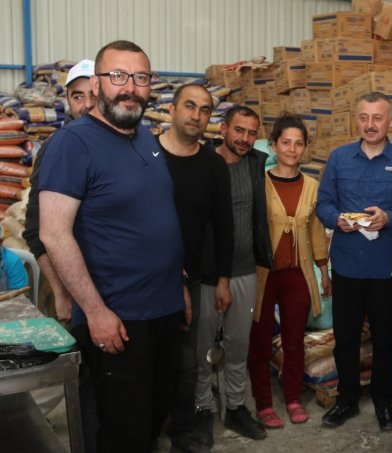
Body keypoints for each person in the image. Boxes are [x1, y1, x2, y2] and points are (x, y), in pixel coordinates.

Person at [38, 40, 185, 451]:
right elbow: (53, 233)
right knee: (122, 434)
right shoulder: (73, 144)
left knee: (155, 419)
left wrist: (180, 287)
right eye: (118, 76)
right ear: (98, 82)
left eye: (140, 78)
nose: (130, 87)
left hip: (164, 309)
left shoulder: (146, 139)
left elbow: (158, 220)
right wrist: (95, 311)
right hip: (118, 319)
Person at [316, 91, 392, 431]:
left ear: (390, 121)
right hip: (347, 267)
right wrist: (338, 220)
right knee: (345, 339)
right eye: (364, 117)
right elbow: (324, 204)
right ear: (356, 120)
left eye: (377, 118)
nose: (370, 124)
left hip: (385, 269)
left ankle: (383, 402)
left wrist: (389, 218)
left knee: (385, 340)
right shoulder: (338, 158)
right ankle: (347, 400)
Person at [158, 83, 233, 452]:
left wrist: (222, 280)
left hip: (189, 282)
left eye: (204, 110)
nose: (196, 115)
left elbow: (224, 226)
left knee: (186, 363)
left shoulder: (213, 165)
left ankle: (183, 434)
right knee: (146, 360)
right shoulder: (145, 153)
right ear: (172, 109)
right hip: (142, 277)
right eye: (189, 106)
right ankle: (146, 429)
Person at [248, 114, 331, 429]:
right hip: (263, 274)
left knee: (295, 340)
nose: (292, 149)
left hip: (297, 274)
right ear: (273, 145)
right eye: (286, 142)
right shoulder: (260, 183)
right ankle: (264, 403)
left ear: (306, 147)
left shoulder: (311, 185)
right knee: (259, 339)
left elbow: (315, 232)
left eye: (299, 143)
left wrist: (323, 272)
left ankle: (294, 397)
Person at [204, 105, 273, 440]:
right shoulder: (203, 164)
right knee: (202, 349)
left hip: (246, 272)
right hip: (207, 274)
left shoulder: (256, 166)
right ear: (223, 129)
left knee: (237, 346)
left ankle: (234, 407)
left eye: (251, 133)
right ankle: (201, 410)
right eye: (239, 130)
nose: (245, 139)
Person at [23, 58, 96, 323]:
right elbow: (35, 230)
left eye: (94, 95)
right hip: (75, 291)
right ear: (67, 100)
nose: (87, 105)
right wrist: (62, 292)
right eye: (78, 96)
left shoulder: (124, 146)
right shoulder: (58, 150)